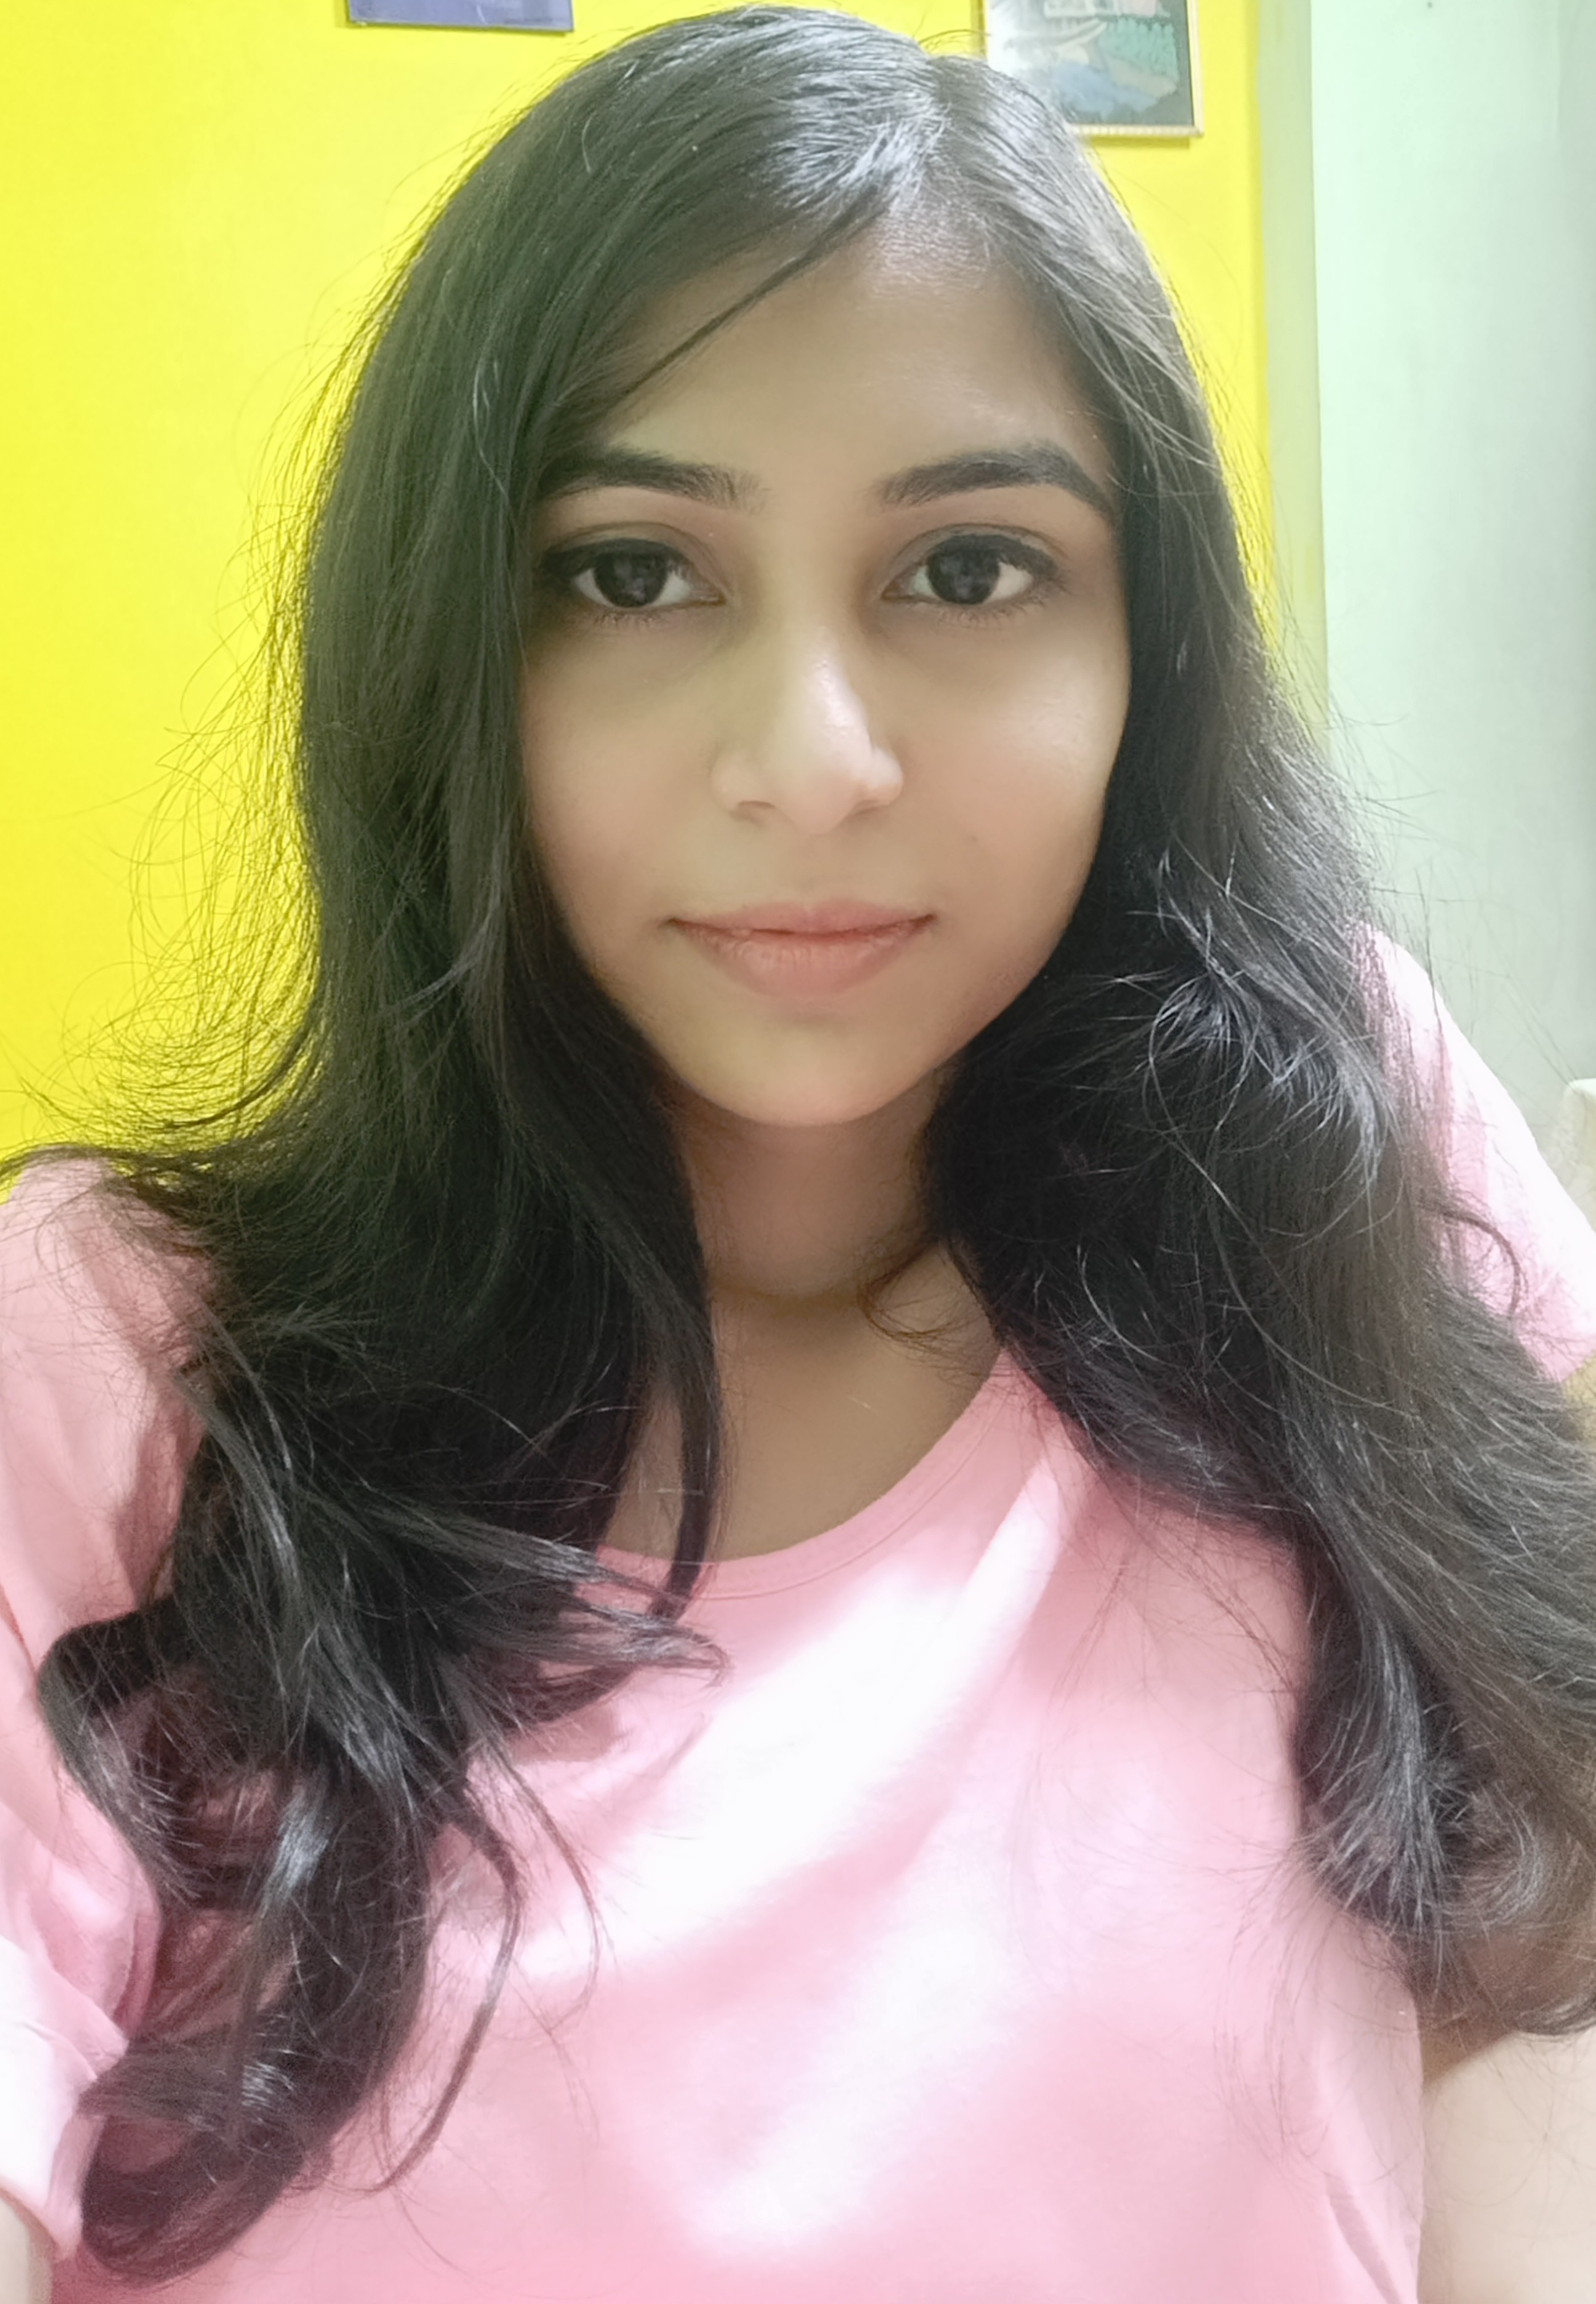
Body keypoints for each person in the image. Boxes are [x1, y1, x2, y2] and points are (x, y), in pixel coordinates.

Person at [2, 8, 1596, 2297]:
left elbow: (1522, 1913)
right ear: (446, 648)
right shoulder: (124, 1357)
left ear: (1145, 651)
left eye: (969, 571)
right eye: (633, 574)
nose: (817, 760)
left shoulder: (1320, 1140)